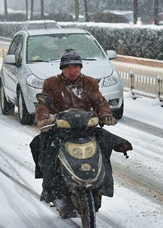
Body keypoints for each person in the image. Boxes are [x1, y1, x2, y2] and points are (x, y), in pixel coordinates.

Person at [30, 48, 120, 217]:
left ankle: (102, 186)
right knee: (43, 147)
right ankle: (51, 188)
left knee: (105, 147)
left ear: (81, 68)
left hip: (86, 129)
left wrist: (106, 115)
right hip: (61, 130)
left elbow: (100, 102)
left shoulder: (90, 83)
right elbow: (42, 104)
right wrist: (43, 118)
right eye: (68, 67)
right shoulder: (51, 83)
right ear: (62, 69)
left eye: (76, 67)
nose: (72, 71)